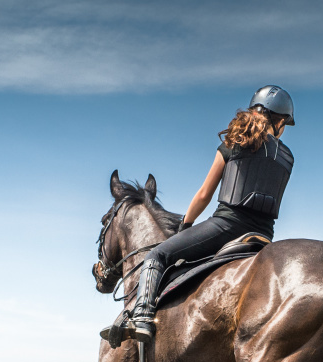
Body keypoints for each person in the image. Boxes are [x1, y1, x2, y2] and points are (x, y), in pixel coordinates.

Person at [103, 85, 295, 346]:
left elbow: (204, 194)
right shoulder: (287, 157)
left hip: (227, 226)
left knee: (157, 256)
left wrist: (186, 225)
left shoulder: (235, 142)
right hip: (264, 236)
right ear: (280, 121)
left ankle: (142, 318)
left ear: (254, 110)